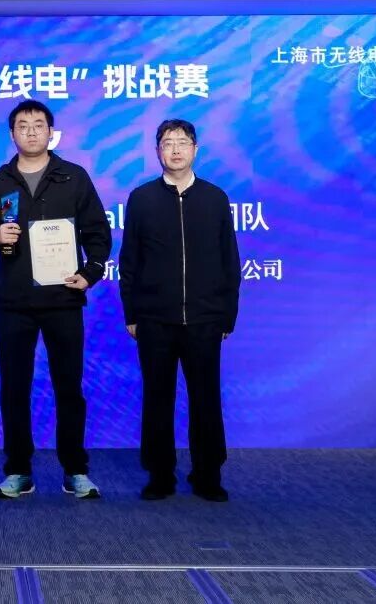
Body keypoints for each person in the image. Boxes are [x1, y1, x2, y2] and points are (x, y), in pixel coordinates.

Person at [0, 100, 112, 500]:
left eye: (38, 125)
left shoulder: (73, 178)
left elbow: (98, 233)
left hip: (63, 297)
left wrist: (90, 272)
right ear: (12, 134)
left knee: (69, 387)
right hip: (13, 301)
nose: (30, 131)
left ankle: (75, 470)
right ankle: (18, 470)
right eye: (22, 125)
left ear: (51, 132)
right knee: (14, 388)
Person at [119, 119, 241, 502]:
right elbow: (129, 261)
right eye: (167, 143)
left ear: (195, 149)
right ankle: (160, 475)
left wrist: (227, 314)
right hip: (155, 319)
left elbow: (229, 260)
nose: (175, 149)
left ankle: (208, 474)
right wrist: (132, 314)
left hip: (205, 319)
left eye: (183, 142)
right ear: (157, 151)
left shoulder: (215, 198)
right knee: (157, 399)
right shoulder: (142, 199)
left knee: (206, 399)